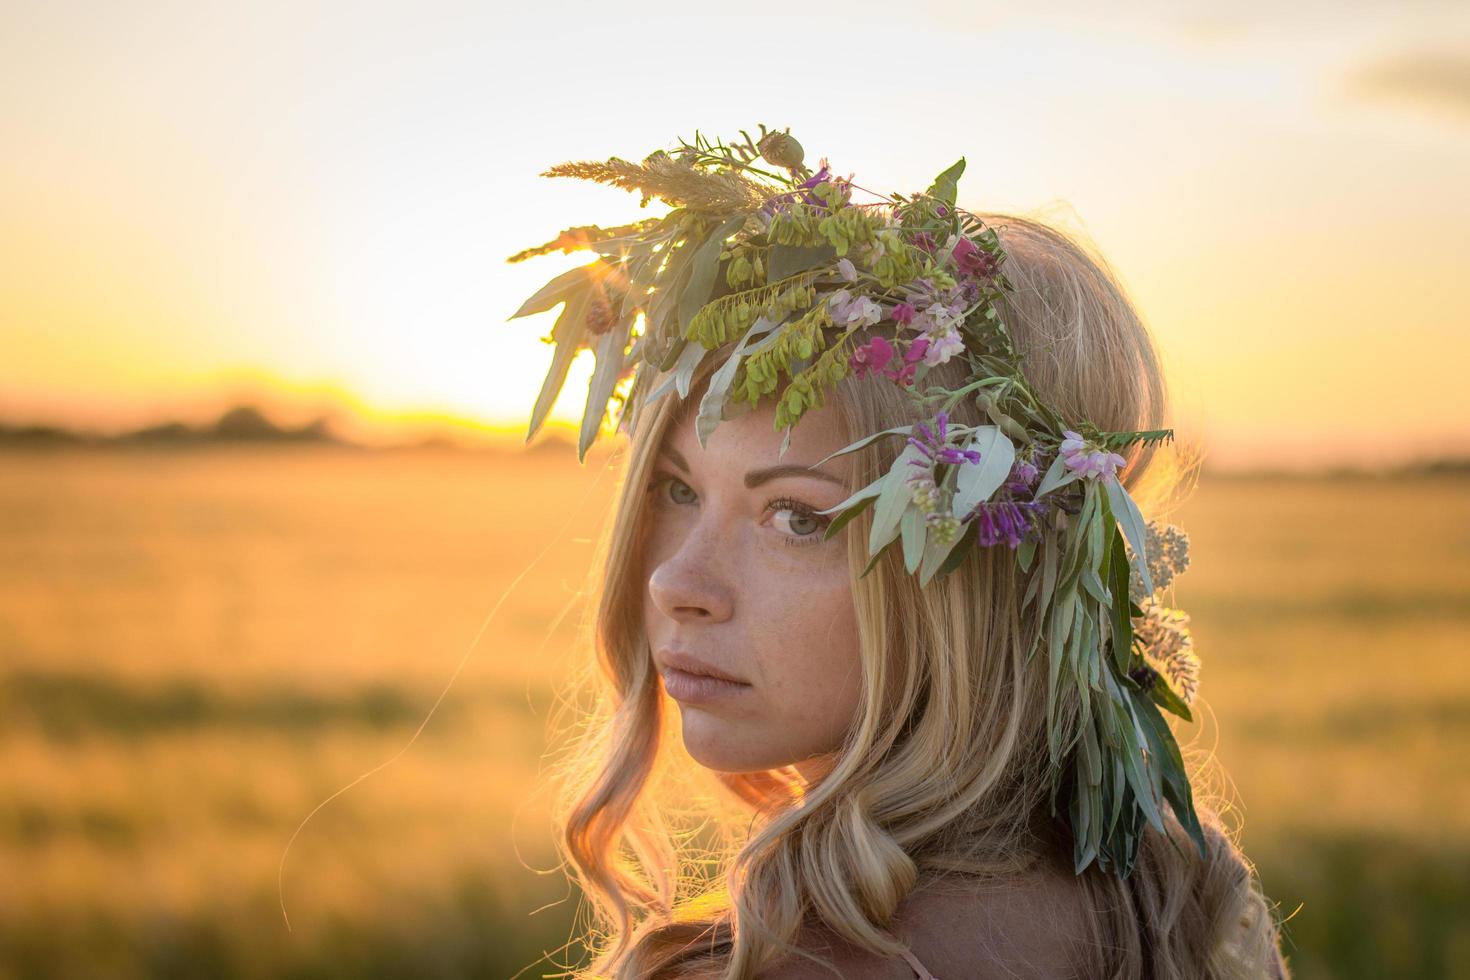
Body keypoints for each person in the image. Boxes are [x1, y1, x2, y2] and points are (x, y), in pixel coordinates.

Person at [512, 131, 1290, 978]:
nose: (675, 583)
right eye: (678, 490)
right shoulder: (1180, 905)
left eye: (798, 518)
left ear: (979, 574)